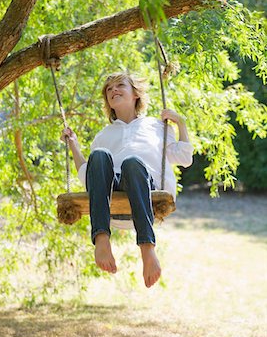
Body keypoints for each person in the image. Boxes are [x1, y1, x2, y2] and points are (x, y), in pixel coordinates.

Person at [61, 72, 193, 288]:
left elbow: (184, 158)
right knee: (100, 155)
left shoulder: (158, 126)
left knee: (132, 163)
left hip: (145, 187)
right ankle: (101, 239)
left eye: (120, 85)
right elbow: (89, 178)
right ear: (108, 103)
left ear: (135, 95)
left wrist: (181, 123)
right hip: (112, 196)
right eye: (109, 89)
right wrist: (73, 144)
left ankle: (147, 249)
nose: (113, 90)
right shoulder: (103, 135)